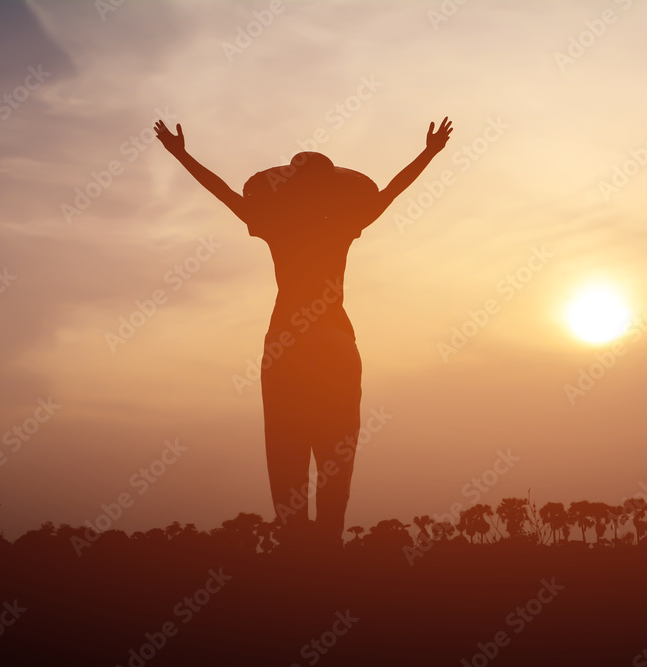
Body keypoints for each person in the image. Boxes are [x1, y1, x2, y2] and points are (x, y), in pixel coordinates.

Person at [154, 116, 453, 551]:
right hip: (333, 341)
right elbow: (392, 191)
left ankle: (297, 549)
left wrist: (181, 155)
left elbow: (221, 192)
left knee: (285, 451)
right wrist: (429, 152)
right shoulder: (341, 225)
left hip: (287, 345)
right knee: (337, 454)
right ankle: (327, 545)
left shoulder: (276, 225)